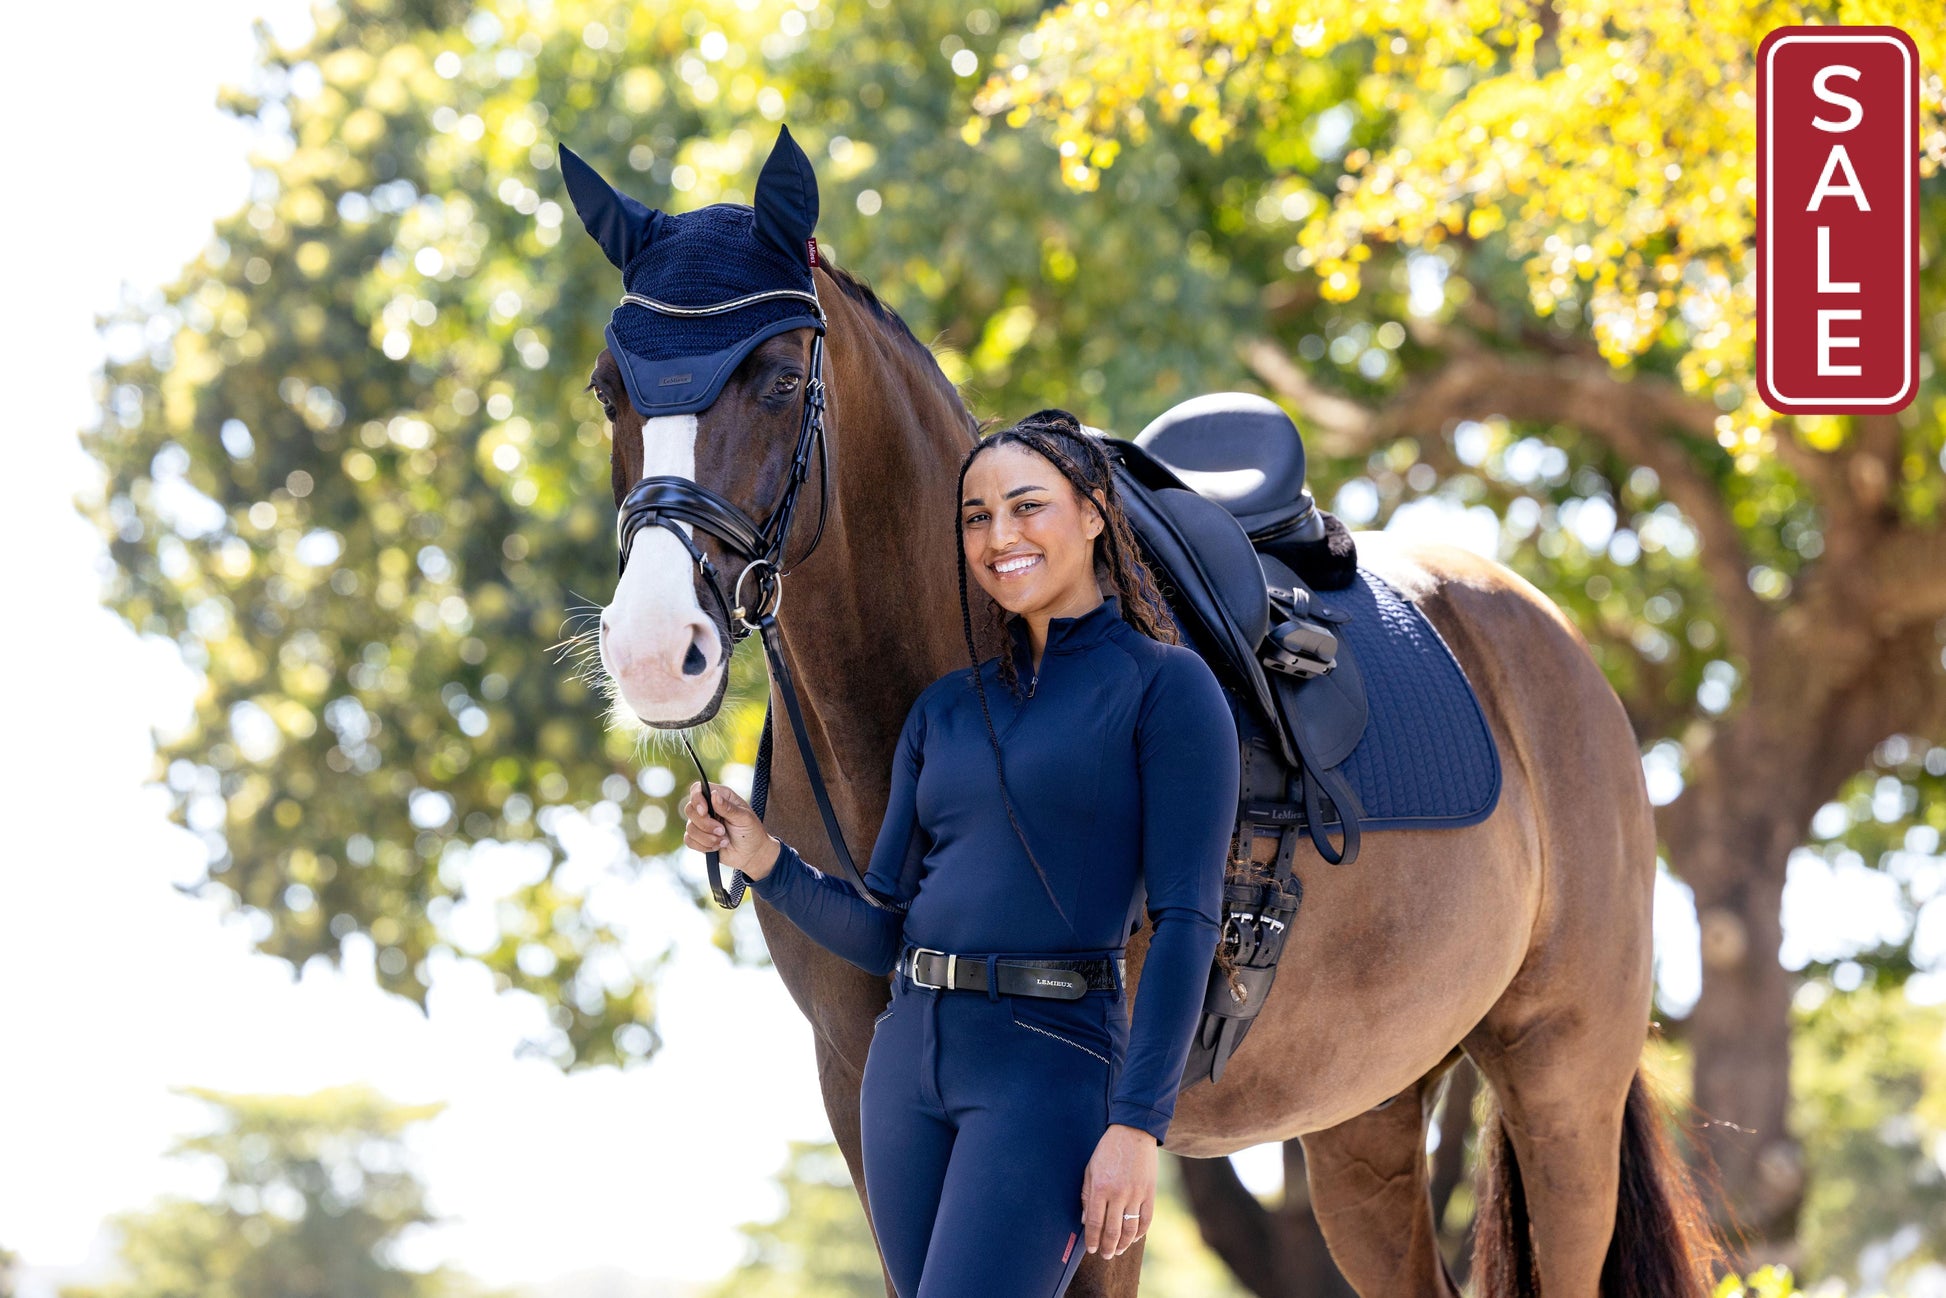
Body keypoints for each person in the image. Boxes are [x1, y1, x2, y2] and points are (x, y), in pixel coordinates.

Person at [679, 408, 1241, 1297]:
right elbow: (884, 931)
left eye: (1027, 508)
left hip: (1049, 1065)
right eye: (977, 517)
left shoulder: (1167, 689)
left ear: (1094, 512)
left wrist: (1138, 1124)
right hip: (907, 1067)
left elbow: (1186, 922)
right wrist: (764, 857)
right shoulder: (944, 710)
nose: (999, 537)